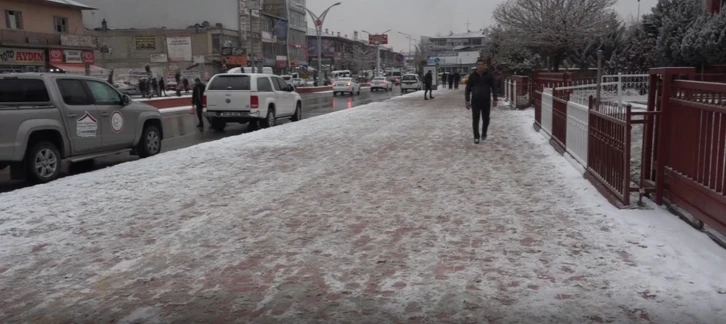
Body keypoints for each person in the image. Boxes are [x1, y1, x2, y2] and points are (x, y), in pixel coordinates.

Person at [465, 59, 498, 144]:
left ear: (484, 66)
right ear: (476, 66)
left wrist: (495, 98)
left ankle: (484, 133)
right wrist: (467, 100)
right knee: (475, 119)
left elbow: (494, 87)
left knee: (486, 118)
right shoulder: (472, 76)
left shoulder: (489, 75)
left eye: (482, 64)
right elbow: (468, 88)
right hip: (475, 100)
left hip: (486, 100)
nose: (480, 66)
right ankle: (476, 136)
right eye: (478, 64)